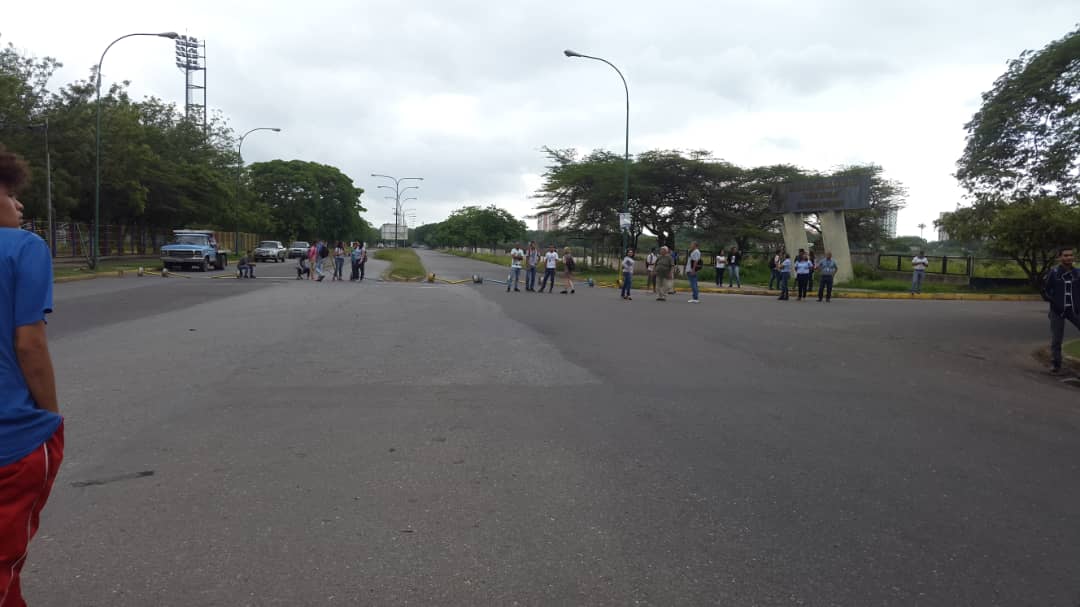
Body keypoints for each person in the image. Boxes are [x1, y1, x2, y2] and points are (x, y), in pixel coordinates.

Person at [0, 146, 64, 607]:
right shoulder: (23, 248)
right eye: (9, 193)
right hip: (12, 436)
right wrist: (51, 418)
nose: (19, 204)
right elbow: (29, 344)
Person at [1042, 247, 1080, 375]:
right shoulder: (1054, 272)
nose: (1069, 257)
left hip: (1074, 310)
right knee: (1057, 339)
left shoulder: (1078, 273)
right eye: (1065, 255)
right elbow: (1045, 291)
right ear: (1060, 257)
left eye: (1071, 255)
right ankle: (1056, 364)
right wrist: (1055, 302)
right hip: (1057, 311)